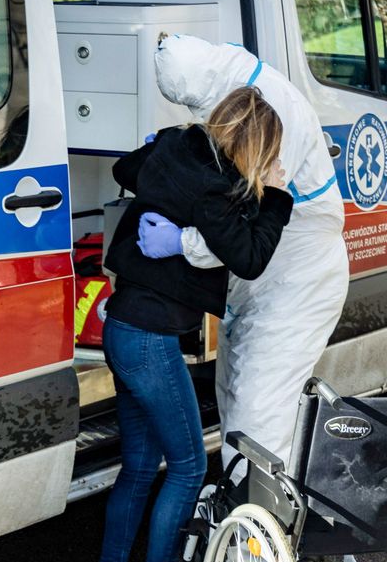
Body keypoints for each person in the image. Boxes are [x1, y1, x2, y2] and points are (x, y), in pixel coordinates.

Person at [91, 87, 292, 562]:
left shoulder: (179, 146)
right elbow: (250, 258)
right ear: (252, 143)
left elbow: (126, 169)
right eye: (268, 153)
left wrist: (156, 146)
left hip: (123, 327)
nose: (270, 164)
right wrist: (275, 196)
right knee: (187, 465)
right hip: (151, 339)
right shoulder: (219, 190)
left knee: (138, 465)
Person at [143, 35, 349, 472]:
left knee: (260, 415)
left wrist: (180, 242)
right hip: (265, 282)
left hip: (299, 282)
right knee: (236, 399)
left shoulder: (274, 117)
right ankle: (243, 523)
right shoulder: (241, 92)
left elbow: (237, 240)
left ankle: (255, 534)